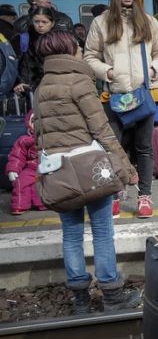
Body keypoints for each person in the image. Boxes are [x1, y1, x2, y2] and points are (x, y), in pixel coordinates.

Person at [33, 29, 140, 313]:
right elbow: (102, 130)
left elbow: (39, 136)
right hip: (90, 170)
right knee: (103, 231)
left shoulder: (40, 89)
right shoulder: (80, 83)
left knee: (71, 234)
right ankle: (111, 294)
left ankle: (80, 298)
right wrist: (126, 168)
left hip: (59, 174)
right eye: (77, 47)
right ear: (69, 50)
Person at [84, 0, 158, 219]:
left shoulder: (148, 21)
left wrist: (154, 69)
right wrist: (107, 71)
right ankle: (115, 195)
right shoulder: (101, 23)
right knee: (113, 149)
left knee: (144, 149)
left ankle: (144, 197)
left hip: (143, 94)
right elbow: (90, 56)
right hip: (113, 96)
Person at [5, 111, 44, 214]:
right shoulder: (24, 140)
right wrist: (13, 169)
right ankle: (19, 205)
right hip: (31, 167)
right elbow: (17, 156)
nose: (37, 123)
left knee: (43, 184)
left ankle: (42, 203)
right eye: (33, 121)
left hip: (48, 167)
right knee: (20, 182)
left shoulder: (51, 139)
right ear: (29, 124)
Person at [13, 7, 55, 94]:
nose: (40, 25)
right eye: (36, 21)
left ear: (52, 23)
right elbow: (13, 64)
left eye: (44, 22)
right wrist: (18, 82)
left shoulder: (58, 41)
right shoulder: (22, 39)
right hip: (27, 90)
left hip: (52, 90)